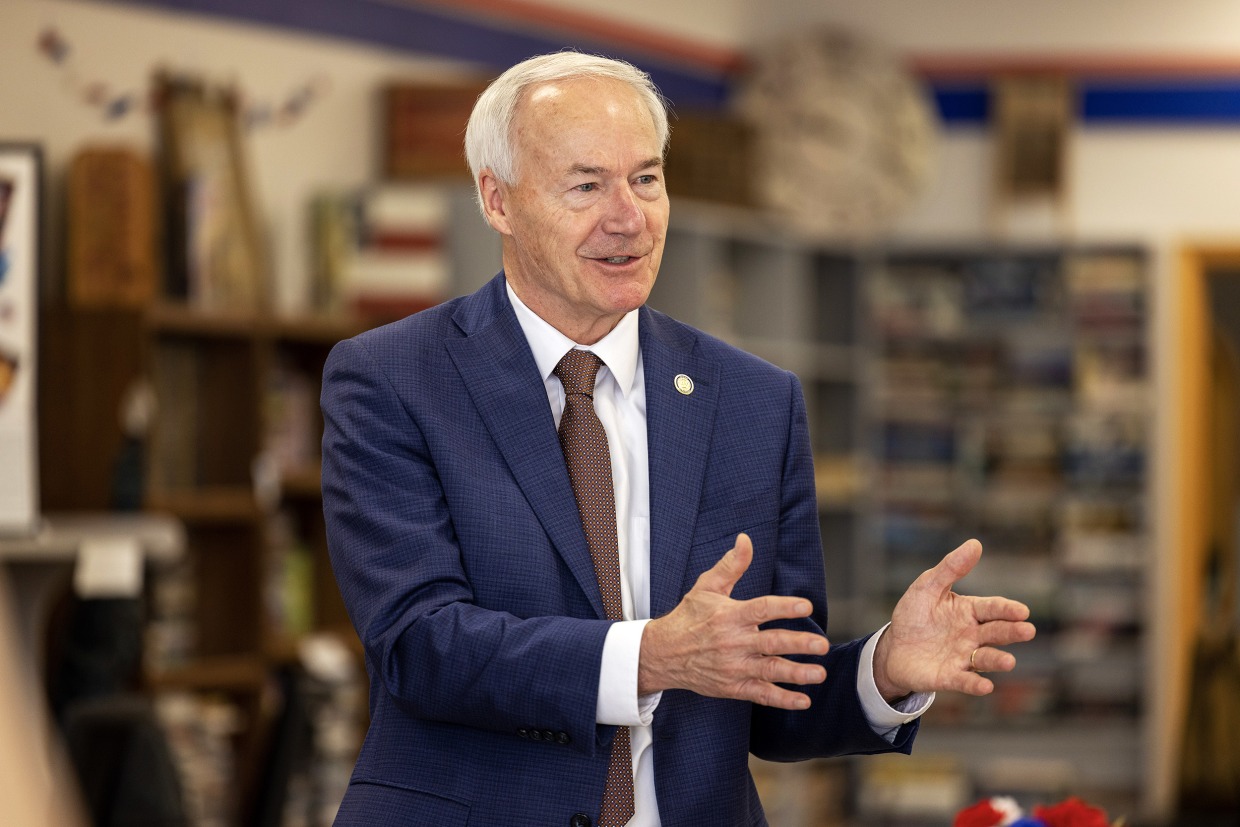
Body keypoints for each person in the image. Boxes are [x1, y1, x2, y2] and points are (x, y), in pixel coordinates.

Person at [321, 51, 1036, 827]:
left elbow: (773, 693)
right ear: (497, 199)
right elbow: (420, 646)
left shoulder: (755, 400)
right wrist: (653, 655)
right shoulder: (392, 377)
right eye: (587, 184)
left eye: (646, 178)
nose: (628, 215)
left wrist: (883, 669)